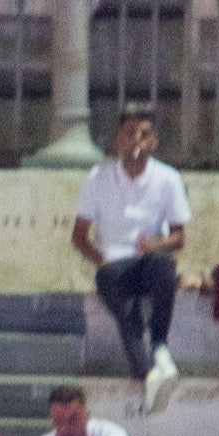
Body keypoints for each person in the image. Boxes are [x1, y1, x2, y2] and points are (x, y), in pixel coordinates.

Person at [71, 104, 188, 414]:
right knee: (124, 306)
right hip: (113, 263)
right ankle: (146, 370)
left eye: (144, 134)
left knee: (164, 265)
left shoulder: (168, 178)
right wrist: (102, 260)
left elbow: (179, 238)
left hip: (148, 260)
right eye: (130, 133)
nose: (137, 141)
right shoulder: (98, 178)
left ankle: (159, 345)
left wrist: (156, 243)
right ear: (118, 139)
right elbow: (79, 236)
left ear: (154, 141)